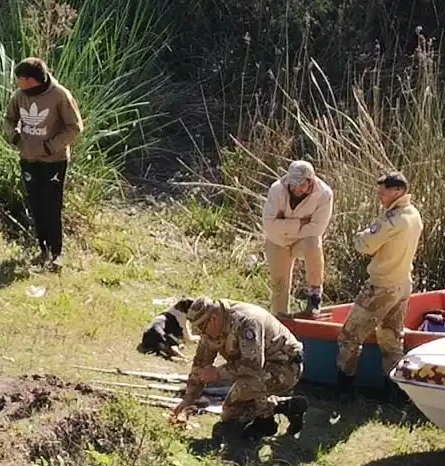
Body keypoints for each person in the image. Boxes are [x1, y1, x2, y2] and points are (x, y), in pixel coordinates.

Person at [169, 297, 309, 442]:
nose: (202, 334)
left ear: (214, 319)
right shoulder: (210, 328)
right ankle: (284, 408)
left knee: (239, 397)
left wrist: (217, 373)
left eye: (202, 328)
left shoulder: (246, 321)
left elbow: (252, 366)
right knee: (230, 411)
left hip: (285, 367)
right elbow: (200, 364)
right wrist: (188, 399)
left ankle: (263, 422)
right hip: (260, 370)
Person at [334, 172, 424, 395]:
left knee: (349, 336)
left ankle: (344, 388)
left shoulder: (393, 220)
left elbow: (365, 245)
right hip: (402, 283)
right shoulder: (414, 215)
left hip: (381, 285)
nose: (379, 197)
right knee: (391, 339)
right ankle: (393, 391)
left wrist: (360, 235)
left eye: (383, 193)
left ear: (397, 192)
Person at [5, 57, 84, 271]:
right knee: (36, 204)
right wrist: (14, 137)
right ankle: (42, 250)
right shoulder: (19, 96)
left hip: (54, 161)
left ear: (34, 80)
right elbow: (9, 119)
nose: (20, 87)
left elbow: (75, 127)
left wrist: (51, 147)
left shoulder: (60, 96)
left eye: (23, 82)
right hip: (29, 160)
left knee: (52, 206)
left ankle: (57, 254)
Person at [262, 160, 334, 317]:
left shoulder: (324, 194)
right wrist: (300, 223)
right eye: (293, 184)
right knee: (279, 286)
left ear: (311, 180)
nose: (296, 188)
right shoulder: (277, 189)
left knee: (313, 242)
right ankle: (280, 321)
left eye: (301, 184)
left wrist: (283, 224)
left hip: (302, 241)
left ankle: (314, 295)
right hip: (277, 241)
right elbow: (268, 224)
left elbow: (317, 229)